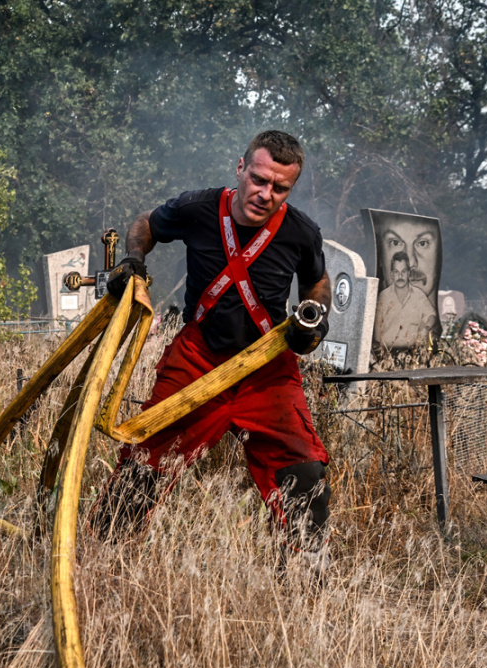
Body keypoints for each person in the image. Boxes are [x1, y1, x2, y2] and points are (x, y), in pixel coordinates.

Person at [89, 130, 333, 562]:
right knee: (146, 460)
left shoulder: (301, 231)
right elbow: (146, 223)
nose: (265, 194)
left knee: (305, 468)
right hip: (198, 357)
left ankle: (304, 576)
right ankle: (102, 558)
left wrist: (314, 316)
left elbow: (317, 280)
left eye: (280, 188)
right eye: (258, 179)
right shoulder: (198, 207)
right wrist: (135, 262)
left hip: (267, 367)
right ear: (240, 169)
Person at [374, 252, 438, 349]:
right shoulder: (383, 297)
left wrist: (426, 328)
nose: (400, 276)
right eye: (396, 272)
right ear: (391, 274)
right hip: (387, 355)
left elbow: (432, 315)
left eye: (403, 272)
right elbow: (376, 334)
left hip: (412, 355)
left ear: (408, 273)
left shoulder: (419, 296)